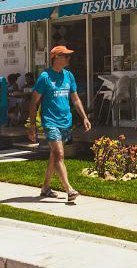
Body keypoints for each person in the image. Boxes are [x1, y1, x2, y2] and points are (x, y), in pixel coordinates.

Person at [28, 45, 91, 202]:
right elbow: (33, 102)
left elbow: (75, 99)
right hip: (50, 121)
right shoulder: (45, 77)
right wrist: (32, 126)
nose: (69, 58)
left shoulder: (69, 76)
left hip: (66, 121)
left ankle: (45, 188)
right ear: (56, 57)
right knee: (59, 154)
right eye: (65, 56)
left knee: (54, 155)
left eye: (69, 56)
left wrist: (84, 117)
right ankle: (69, 189)